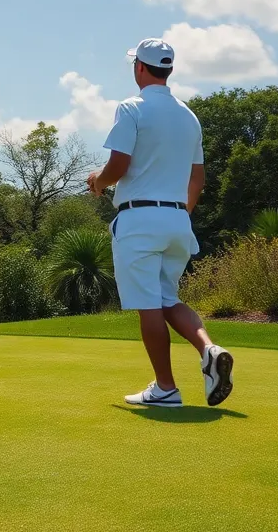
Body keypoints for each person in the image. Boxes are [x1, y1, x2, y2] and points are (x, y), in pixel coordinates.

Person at [88, 38, 234, 408]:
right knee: (168, 299)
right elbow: (198, 178)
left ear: (139, 67)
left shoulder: (131, 107)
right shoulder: (189, 116)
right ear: (168, 69)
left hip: (139, 220)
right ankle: (209, 349)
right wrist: (179, 215)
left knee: (149, 305)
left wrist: (98, 183)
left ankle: (166, 388)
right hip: (177, 220)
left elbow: (118, 166)